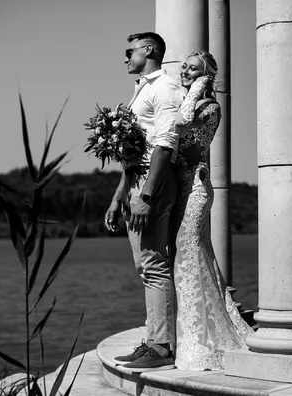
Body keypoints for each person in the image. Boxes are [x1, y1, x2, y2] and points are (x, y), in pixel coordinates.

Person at [104, 32, 186, 371]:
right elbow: (135, 153)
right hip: (136, 183)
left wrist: (147, 196)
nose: (125, 57)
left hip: (152, 185)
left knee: (154, 265)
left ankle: (162, 346)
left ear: (149, 50)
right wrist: (118, 196)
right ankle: (155, 339)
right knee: (145, 268)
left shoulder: (164, 87)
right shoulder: (142, 88)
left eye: (129, 51)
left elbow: (165, 145)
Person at [171, 50, 254, 371]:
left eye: (194, 70)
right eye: (185, 68)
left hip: (195, 190)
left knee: (189, 250)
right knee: (187, 255)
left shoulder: (210, 107)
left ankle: (201, 338)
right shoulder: (183, 99)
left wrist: (197, 88)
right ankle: (187, 329)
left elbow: (183, 122)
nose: (185, 72)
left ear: (206, 76)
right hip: (175, 189)